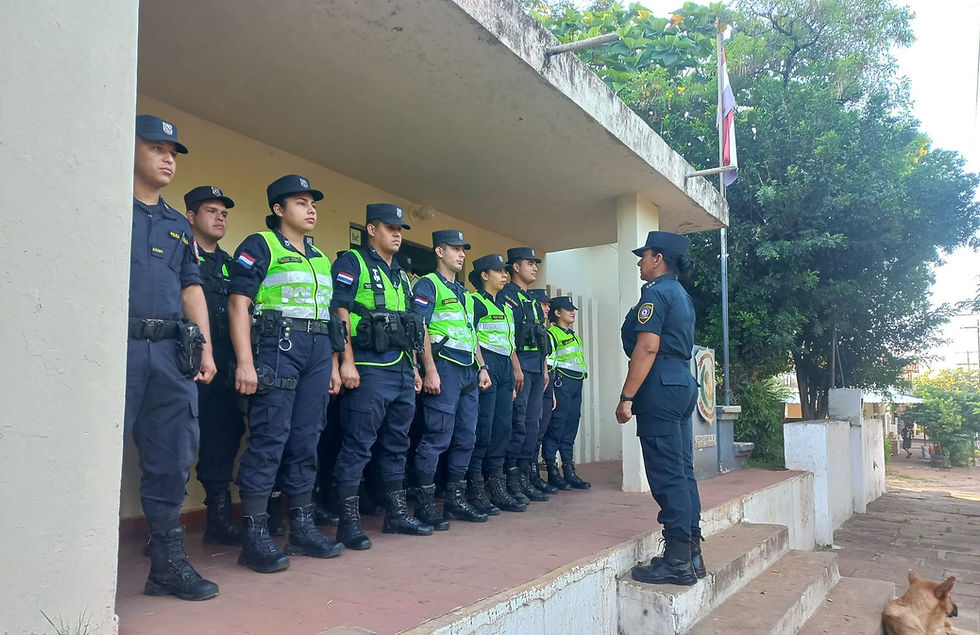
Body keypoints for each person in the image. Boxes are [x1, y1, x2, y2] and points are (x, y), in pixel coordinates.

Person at [228, 174, 345, 573]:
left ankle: (302, 527)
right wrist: (245, 361)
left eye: (312, 203)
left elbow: (329, 318)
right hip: (277, 346)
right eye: (300, 202)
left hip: (315, 351)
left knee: (306, 439)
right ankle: (255, 536)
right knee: (269, 438)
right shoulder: (261, 244)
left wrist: (332, 364)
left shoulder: (321, 258)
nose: (311, 209)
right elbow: (238, 303)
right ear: (278, 210)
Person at [128, 114, 219, 601]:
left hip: (169, 353)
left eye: (174, 152)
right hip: (115, 348)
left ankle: (166, 566)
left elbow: (191, 287)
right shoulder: (103, 202)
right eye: (157, 147)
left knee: (172, 456)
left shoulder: (175, 225)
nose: (168, 158)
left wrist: (202, 345)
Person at [330, 203, 432, 550]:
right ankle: (348, 521)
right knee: (358, 445)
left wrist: (416, 368)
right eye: (390, 228)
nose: (397, 233)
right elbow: (339, 311)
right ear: (371, 229)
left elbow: (410, 324)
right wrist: (346, 362)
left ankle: (397, 514)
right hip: (368, 368)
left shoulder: (401, 273)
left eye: (400, 228)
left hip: (402, 369)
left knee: (397, 445)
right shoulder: (352, 263)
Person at [615, 230, 702, 587]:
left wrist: (626, 396)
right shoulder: (680, 294)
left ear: (658, 259)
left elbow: (647, 347)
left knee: (667, 474)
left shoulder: (657, 293)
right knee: (682, 470)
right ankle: (692, 552)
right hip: (681, 380)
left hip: (660, 386)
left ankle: (678, 561)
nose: (639, 261)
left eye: (644, 255)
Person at [412, 231, 493, 528]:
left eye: (463, 250)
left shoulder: (465, 296)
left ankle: (455, 501)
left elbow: (473, 336)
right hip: (443, 367)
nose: (461, 254)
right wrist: (428, 369)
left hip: (468, 371)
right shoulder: (427, 284)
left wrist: (482, 367)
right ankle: (424, 502)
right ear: (439, 251)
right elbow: (420, 329)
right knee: (437, 436)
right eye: (455, 249)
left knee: (466, 437)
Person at [184, 185, 245, 546]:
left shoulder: (232, 264)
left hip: (224, 363)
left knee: (223, 438)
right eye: (211, 211)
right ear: (191, 216)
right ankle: (163, 526)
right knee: (173, 441)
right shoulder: (180, 255)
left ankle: (218, 517)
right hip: (185, 362)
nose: (220, 217)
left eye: (224, 213)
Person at [467, 255, 526, 513]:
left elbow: (509, 342)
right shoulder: (475, 301)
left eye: (505, 271)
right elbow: (473, 337)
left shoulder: (505, 307)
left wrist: (515, 370)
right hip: (488, 365)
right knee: (484, 427)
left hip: (505, 368)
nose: (504, 275)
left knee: (503, 427)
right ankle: (474, 487)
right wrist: (482, 367)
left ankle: (498, 488)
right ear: (484, 275)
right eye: (498, 271)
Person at [498, 248, 550, 504]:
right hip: (519, 370)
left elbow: (540, 339)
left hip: (537, 369)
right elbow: (507, 337)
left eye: (535, 264)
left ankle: (526, 477)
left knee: (533, 424)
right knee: (517, 424)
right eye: (529, 263)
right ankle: (510, 480)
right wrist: (516, 368)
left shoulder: (531, 300)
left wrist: (545, 370)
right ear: (515, 267)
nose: (534, 267)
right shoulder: (507, 297)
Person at [542, 296, 591, 490]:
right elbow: (550, 363)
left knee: (571, 426)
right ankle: (552, 470)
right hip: (561, 384)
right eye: (567, 309)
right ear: (557, 313)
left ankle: (569, 469)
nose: (572, 312)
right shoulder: (551, 334)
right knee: (557, 426)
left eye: (573, 309)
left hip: (576, 383)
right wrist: (552, 388)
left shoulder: (574, 335)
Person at [527, 289, 558, 495]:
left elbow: (544, 358)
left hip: (545, 381)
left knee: (540, 427)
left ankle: (533, 473)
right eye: (543, 304)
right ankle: (526, 473)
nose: (547, 308)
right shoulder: (531, 327)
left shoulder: (544, 331)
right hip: (531, 378)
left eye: (547, 305)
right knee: (529, 428)